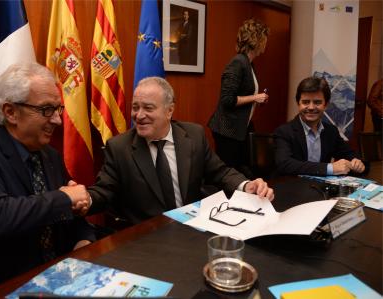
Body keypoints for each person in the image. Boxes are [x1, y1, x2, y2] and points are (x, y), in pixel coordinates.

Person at [0, 63, 94, 299]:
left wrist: (84, 240)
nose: (57, 120)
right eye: (46, 110)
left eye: (58, 109)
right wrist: (64, 197)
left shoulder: (49, 155)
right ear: (11, 112)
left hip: (52, 280)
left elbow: (69, 214)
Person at [88, 77, 274, 225]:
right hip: (146, 238)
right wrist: (84, 199)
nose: (139, 115)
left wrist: (246, 185)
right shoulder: (119, 147)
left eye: (148, 108)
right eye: (135, 107)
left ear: (169, 111)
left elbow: (220, 172)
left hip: (191, 230)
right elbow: (104, 191)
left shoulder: (193, 135)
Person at [208, 19, 269, 179]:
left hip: (241, 129)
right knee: (228, 174)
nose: (266, 44)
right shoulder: (238, 62)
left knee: (245, 170)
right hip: (227, 130)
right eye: (265, 40)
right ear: (257, 40)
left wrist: (257, 99)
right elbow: (227, 100)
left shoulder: (249, 64)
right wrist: (255, 97)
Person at [273, 76, 366, 176]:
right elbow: (284, 164)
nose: (311, 107)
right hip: (292, 186)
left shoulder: (331, 131)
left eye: (317, 102)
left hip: (321, 188)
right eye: (305, 102)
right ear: (298, 103)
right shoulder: (284, 131)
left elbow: (349, 154)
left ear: (326, 105)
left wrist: (357, 162)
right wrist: (329, 168)